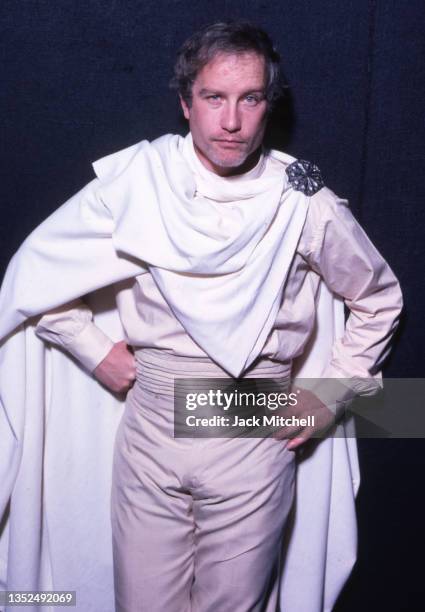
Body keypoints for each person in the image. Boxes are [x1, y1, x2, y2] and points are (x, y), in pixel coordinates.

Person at [0, 20, 402, 612]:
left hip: (251, 414)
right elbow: (34, 275)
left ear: (269, 104)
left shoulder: (302, 200)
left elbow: (378, 297)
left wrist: (330, 391)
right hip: (152, 418)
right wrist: (92, 346)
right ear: (187, 104)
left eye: (251, 98)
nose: (232, 121)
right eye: (214, 98)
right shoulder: (140, 182)